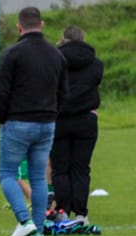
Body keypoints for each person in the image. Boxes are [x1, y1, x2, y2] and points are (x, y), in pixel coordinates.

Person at [0, 6, 68, 236]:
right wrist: (52, 114)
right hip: (47, 123)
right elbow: (63, 92)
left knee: (6, 173)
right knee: (38, 178)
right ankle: (38, 232)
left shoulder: (12, 53)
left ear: (19, 27)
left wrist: (2, 118)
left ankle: (24, 221)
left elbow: (2, 92)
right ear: (43, 25)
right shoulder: (57, 55)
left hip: (17, 121)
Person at [50, 26, 103, 225]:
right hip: (86, 120)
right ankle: (81, 213)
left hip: (59, 119)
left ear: (63, 39)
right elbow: (95, 80)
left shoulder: (54, 60)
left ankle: (63, 212)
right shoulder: (96, 64)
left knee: (60, 169)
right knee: (81, 169)